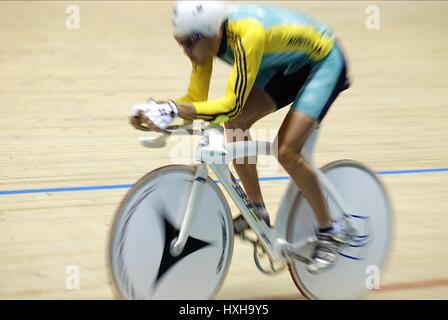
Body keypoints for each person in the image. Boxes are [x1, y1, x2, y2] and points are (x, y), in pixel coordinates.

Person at [129, 1, 350, 274]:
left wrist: (173, 109)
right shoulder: (207, 39)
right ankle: (256, 209)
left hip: (323, 62)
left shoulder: (248, 34)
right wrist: (158, 113)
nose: (186, 52)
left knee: (286, 150)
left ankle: (331, 231)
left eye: (189, 43)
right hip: (285, 63)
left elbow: (230, 104)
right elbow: (196, 101)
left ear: (211, 32)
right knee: (236, 124)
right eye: (180, 43)